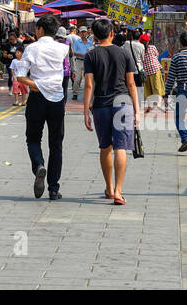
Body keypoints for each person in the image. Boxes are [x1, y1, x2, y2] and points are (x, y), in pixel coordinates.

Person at [11, 14, 68, 199]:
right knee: (56, 144)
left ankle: (38, 165)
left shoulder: (31, 48)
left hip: (36, 98)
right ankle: (53, 188)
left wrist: (37, 85)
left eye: (36, 28)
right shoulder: (63, 48)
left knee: (33, 139)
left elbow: (20, 76)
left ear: (41, 30)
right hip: (57, 100)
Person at [84, 18, 140, 206]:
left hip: (101, 105)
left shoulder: (91, 55)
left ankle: (108, 187)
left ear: (94, 34)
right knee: (120, 147)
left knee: (105, 147)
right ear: (111, 33)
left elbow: (89, 85)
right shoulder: (124, 53)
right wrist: (137, 110)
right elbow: (131, 83)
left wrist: (85, 111)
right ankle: (118, 191)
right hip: (123, 103)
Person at [139, 32, 165, 108]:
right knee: (157, 87)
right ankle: (159, 104)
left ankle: (149, 105)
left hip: (146, 70)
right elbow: (157, 55)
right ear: (148, 41)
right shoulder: (152, 47)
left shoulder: (141, 49)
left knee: (147, 88)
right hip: (155, 69)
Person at [68, 25, 90, 101]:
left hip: (87, 62)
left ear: (87, 33)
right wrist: (82, 55)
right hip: (79, 61)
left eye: (84, 32)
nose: (83, 34)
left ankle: (87, 94)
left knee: (87, 79)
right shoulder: (77, 42)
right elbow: (74, 52)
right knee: (77, 79)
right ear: (79, 33)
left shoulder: (89, 42)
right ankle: (75, 94)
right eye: (82, 32)